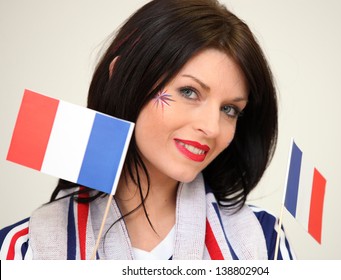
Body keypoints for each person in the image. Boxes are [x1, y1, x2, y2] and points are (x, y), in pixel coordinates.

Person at [0, 0, 294, 260]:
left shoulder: (264, 243)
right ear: (124, 79)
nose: (211, 127)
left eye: (229, 109)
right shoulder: (23, 249)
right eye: (189, 91)